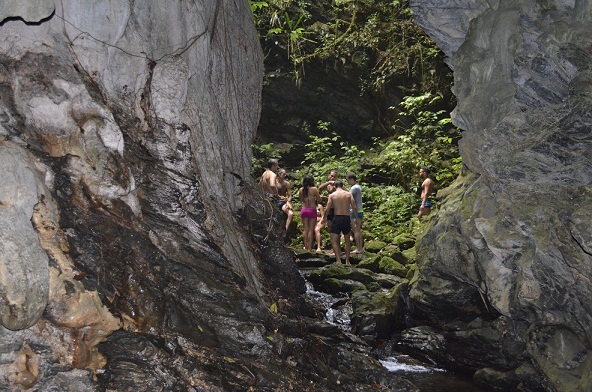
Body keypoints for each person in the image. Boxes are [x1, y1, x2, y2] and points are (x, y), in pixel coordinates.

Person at [321, 180, 357, 265]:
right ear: (342, 185)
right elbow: (354, 207)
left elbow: (327, 208)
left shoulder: (332, 195)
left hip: (337, 218)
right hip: (346, 217)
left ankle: (338, 260)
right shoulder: (348, 194)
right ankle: (347, 261)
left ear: (334, 186)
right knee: (347, 240)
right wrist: (355, 218)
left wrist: (324, 217)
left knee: (334, 240)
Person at [299, 175, 322, 252]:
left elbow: (301, 200)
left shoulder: (301, 190)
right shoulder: (314, 189)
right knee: (311, 230)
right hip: (312, 210)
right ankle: (309, 248)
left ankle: (305, 246)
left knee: (305, 229)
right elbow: (319, 200)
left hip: (304, 209)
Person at [346, 173, 364, 253]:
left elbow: (348, 196)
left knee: (355, 230)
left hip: (354, 211)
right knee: (358, 230)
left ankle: (358, 248)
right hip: (360, 210)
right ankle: (360, 248)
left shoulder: (354, 188)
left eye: (348, 180)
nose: (347, 182)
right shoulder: (358, 187)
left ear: (352, 179)